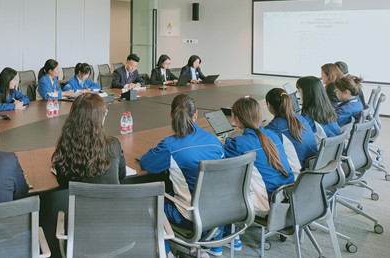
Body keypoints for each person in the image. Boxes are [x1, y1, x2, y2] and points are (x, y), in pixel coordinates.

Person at [140, 94, 223, 229]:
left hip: (190, 215)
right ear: (195, 114)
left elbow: (146, 164)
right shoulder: (214, 140)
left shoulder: (169, 145)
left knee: (146, 198)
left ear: (171, 114)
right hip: (221, 211)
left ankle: (162, 244)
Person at [223, 96, 294, 213]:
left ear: (236, 119)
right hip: (289, 195)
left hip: (267, 202)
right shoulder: (272, 135)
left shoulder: (239, 144)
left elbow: (222, 160)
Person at [52, 93, 126, 187]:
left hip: (79, 197)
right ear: (99, 118)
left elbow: (63, 182)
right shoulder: (113, 145)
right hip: (112, 196)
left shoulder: (66, 145)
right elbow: (121, 175)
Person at [264, 88, 317, 168]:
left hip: (298, 171)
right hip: (313, 166)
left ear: (268, 104)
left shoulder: (273, 128)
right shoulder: (301, 118)